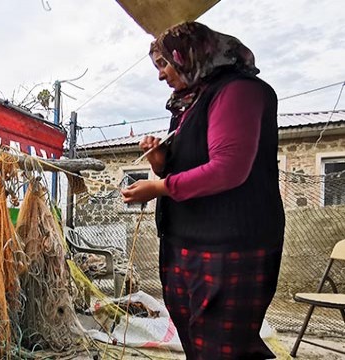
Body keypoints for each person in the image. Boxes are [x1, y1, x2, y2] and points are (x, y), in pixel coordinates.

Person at [121, 22, 285, 359]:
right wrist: (160, 162)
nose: (161, 75)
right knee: (198, 343)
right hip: (185, 242)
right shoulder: (188, 104)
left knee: (224, 349)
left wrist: (159, 187)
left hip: (230, 246)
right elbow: (192, 166)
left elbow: (227, 169)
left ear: (191, 54)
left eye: (164, 63)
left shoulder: (239, 91)